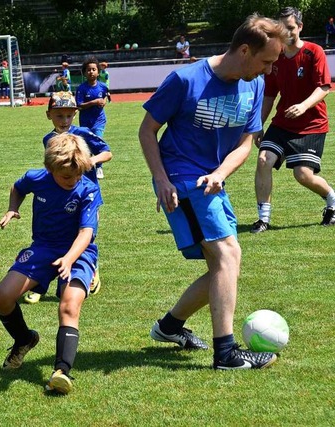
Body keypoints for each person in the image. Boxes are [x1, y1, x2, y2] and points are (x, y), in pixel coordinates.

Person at [138, 14, 288, 370]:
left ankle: (169, 326)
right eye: (266, 61)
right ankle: (226, 353)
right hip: (181, 178)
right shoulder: (186, 79)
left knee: (224, 265)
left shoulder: (253, 85)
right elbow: (147, 131)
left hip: (212, 179)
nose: (269, 71)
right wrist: (161, 178)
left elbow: (246, 143)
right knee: (228, 255)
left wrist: (221, 172)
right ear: (245, 50)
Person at [0, 132, 102, 394]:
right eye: (67, 176)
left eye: (78, 174)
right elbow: (18, 187)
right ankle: (24, 339)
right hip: (42, 248)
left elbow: (86, 233)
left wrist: (69, 258)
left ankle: (61, 371)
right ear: (50, 168)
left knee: (69, 304)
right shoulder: (36, 178)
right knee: (3, 296)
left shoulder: (88, 190)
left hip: (78, 252)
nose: (73, 180)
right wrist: (12, 207)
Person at [251, 7, 335, 233]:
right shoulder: (275, 57)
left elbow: (324, 87)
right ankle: (263, 219)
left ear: (299, 27)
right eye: (282, 28)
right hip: (282, 123)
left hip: (311, 125)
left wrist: (304, 106)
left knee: (303, 175)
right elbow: (269, 95)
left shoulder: (313, 52)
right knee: (262, 160)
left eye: (290, 27)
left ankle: (332, 200)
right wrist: (258, 125)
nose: (286, 32)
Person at [24, 92, 112, 304]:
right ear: (49, 115)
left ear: (75, 115)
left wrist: (92, 160)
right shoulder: (48, 139)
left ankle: (91, 269)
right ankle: (41, 282)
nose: (64, 121)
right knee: (55, 237)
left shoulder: (83, 133)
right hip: (59, 195)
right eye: (59, 116)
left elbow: (108, 152)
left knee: (85, 235)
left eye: (68, 116)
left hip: (86, 196)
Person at [75, 57, 110, 179]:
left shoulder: (103, 86)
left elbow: (106, 96)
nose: (91, 72)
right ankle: (88, 167)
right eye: (88, 70)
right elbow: (79, 106)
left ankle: (99, 167)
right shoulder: (81, 89)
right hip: (85, 122)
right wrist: (94, 102)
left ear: (98, 72)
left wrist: (103, 102)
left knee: (97, 140)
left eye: (94, 69)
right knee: (87, 145)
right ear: (84, 73)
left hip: (99, 120)